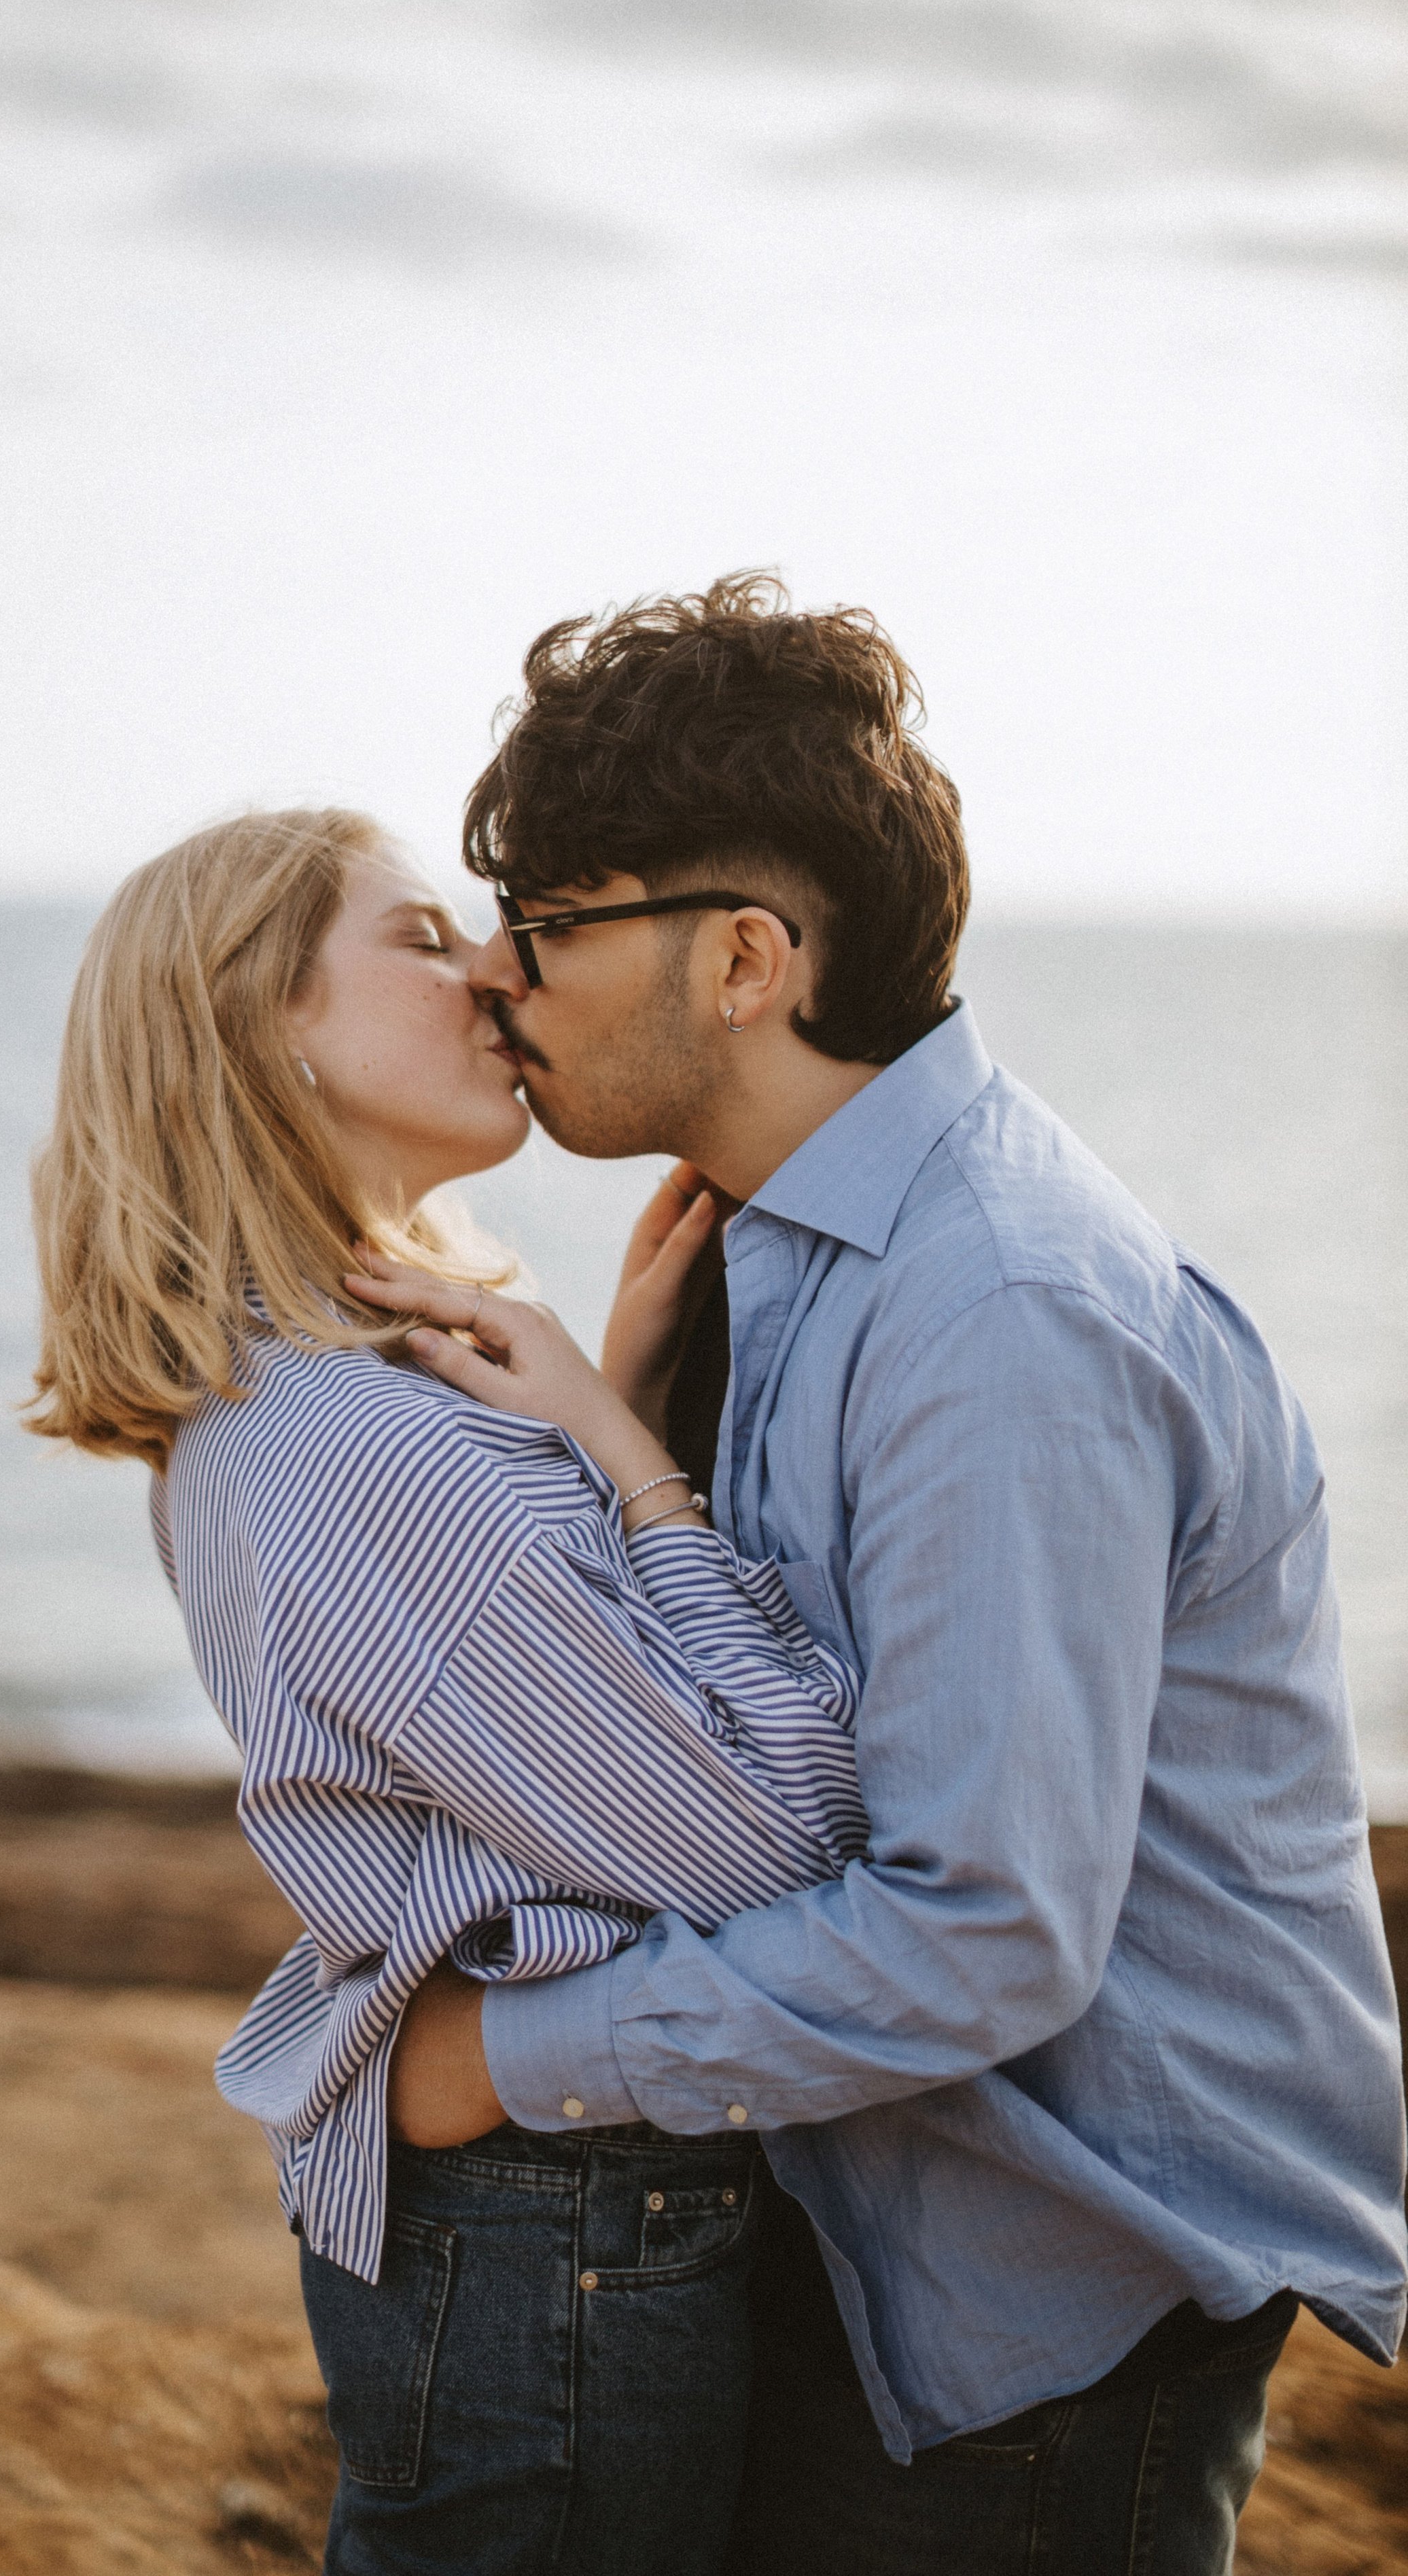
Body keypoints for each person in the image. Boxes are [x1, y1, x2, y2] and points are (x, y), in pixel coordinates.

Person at [379, 576, 1408, 2576]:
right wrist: (633, 1434)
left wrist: (494, 2060)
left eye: (555, 924)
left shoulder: (999, 1309)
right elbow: (780, 1768)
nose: (501, 980)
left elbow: (984, 1935)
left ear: (749, 958)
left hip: (1047, 2309)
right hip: (898, 2231)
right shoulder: (787, 1238)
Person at [24, 804, 880, 2576]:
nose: (497, 966)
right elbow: (792, 1839)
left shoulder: (326, 1398)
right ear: (265, 1021)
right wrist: (628, 1451)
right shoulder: (357, 1451)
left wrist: (594, 1395)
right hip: (554, 2234)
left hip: (536, 2214)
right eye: (420, 938)